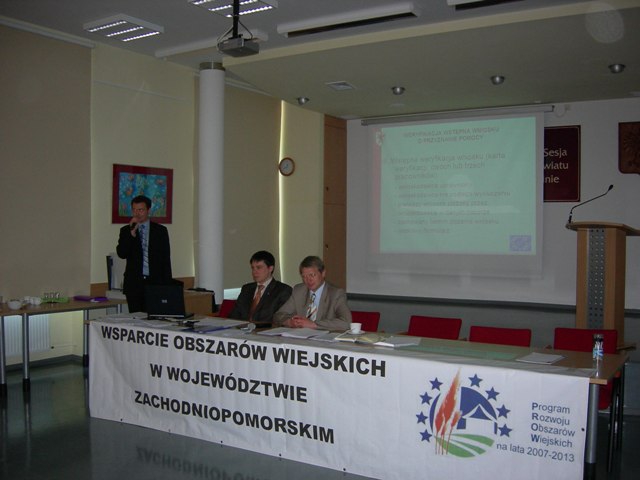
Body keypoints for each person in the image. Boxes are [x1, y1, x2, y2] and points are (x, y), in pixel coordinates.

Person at [116, 195, 172, 312]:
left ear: (148, 210)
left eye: (140, 210)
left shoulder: (160, 231)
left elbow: (165, 260)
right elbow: (121, 253)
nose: (137, 213)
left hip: (155, 283)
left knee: (155, 316)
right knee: (136, 317)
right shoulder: (126, 231)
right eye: (134, 210)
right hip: (134, 284)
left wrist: (167, 285)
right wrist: (132, 233)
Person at [273, 256, 351, 331]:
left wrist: (313, 324)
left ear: (323, 273)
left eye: (312, 275)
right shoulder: (299, 291)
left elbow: (346, 323)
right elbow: (278, 315)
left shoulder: (336, 294)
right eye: (304, 277)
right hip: (300, 336)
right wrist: (290, 322)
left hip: (323, 338)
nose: (308, 280)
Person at [227, 250, 292, 328]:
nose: (254, 272)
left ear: (270, 268)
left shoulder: (283, 290)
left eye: (259, 268)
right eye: (253, 268)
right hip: (241, 331)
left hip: (266, 332)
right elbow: (234, 314)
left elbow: (279, 320)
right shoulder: (246, 288)